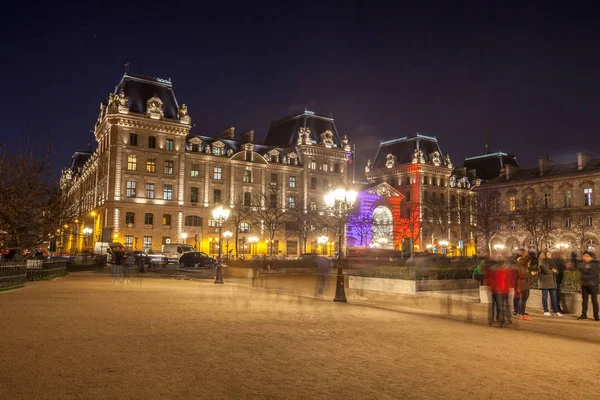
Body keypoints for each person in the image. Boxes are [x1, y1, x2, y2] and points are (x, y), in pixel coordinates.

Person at [574, 251, 599, 321]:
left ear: (590, 257)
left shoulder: (595, 264)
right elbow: (579, 270)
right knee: (584, 300)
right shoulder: (583, 264)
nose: (584, 257)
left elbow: (594, 274)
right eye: (584, 256)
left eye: (586, 256)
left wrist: (584, 278)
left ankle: (596, 315)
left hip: (592, 284)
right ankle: (584, 314)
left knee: (594, 300)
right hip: (584, 285)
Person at [538, 250, 562, 316]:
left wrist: (554, 270)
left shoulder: (552, 261)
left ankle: (556, 311)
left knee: (554, 297)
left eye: (550, 254)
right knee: (545, 296)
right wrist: (553, 270)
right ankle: (545, 310)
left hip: (552, 281)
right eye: (548, 254)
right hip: (544, 281)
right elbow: (546, 271)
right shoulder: (541, 261)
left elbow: (557, 271)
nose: (550, 255)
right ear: (545, 255)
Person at [516, 255, 536, 321]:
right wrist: (531, 274)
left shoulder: (522, 266)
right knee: (523, 300)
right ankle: (523, 315)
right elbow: (522, 275)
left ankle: (519, 314)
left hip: (523, 284)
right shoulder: (521, 267)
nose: (529, 263)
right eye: (529, 262)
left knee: (521, 300)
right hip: (523, 285)